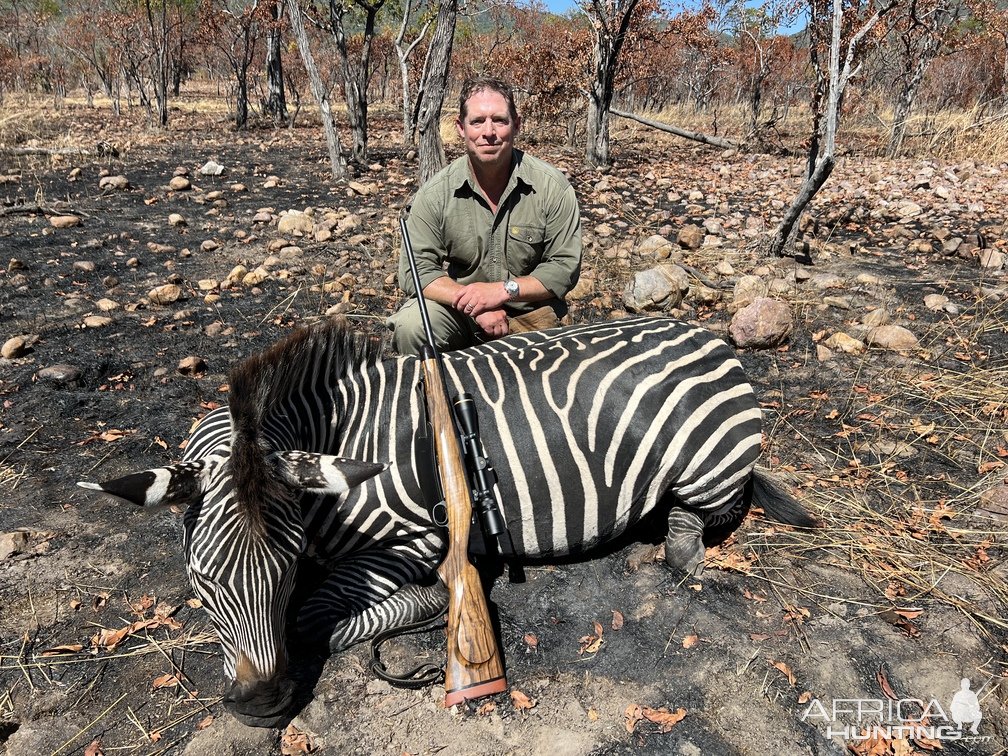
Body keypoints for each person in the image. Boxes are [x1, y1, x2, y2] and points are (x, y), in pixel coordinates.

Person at [388, 77, 582, 354]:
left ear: (517, 124)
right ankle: (433, 396)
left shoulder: (552, 187)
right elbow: (416, 271)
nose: (488, 132)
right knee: (412, 325)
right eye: (477, 121)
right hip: (462, 314)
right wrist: (473, 303)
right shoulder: (435, 194)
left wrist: (504, 291)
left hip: (530, 314)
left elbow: (564, 267)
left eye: (499, 121)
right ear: (460, 127)